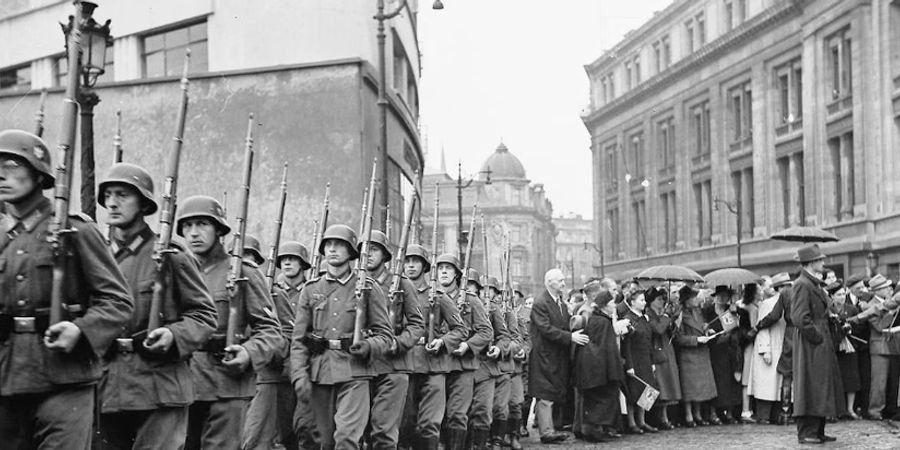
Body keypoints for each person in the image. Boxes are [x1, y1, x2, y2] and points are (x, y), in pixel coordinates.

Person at [0, 129, 134, 448]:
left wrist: (80, 329)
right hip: (7, 378)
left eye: (12, 166)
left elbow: (117, 301)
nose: (1, 175)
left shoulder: (76, 229)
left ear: (37, 174)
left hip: (65, 378)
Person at [97, 163, 218, 449]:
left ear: (143, 203)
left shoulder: (171, 255)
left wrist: (173, 335)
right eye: (109, 195)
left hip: (159, 384)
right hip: (108, 385)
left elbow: (204, 315)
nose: (112, 203)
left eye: (123, 195)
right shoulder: (99, 256)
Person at [177, 195, 283, 450]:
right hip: (182, 383)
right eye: (188, 226)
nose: (194, 233)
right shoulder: (178, 270)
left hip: (227, 383)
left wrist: (248, 352)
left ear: (219, 230)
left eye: (202, 224)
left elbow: (271, 331)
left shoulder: (242, 272)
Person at [290, 224, 394, 449]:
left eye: (339, 245)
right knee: (322, 442)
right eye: (328, 244)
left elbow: (385, 335)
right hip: (320, 372)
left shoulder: (367, 288)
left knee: (346, 439)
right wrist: (299, 375)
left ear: (351, 252)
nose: (332, 249)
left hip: (355, 372)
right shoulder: (310, 289)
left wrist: (368, 346)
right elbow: (298, 340)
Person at [399, 244, 467, 450]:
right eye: (407, 261)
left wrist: (443, 342)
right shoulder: (396, 293)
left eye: (416, 261)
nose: (410, 266)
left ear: (425, 266)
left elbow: (460, 329)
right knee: (404, 421)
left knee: (429, 424)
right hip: (404, 361)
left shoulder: (436, 294)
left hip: (433, 364)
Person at [362, 230, 426, 450]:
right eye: (364, 249)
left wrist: (398, 343)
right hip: (362, 363)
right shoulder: (356, 283)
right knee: (358, 430)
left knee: (384, 430)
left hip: (394, 365)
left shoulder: (402, 284)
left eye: (374, 249)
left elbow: (417, 325)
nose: (368, 254)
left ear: (385, 255)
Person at [790, 243, 844, 444]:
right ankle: (806, 432)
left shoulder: (813, 283)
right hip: (811, 343)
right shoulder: (802, 284)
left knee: (821, 384)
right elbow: (799, 317)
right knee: (810, 385)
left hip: (819, 340)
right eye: (820, 260)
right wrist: (817, 336)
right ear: (811, 262)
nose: (823, 262)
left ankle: (818, 429)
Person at [438, 254, 492, 450]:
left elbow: (486, 332)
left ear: (456, 274)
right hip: (436, 364)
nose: (443, 272)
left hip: (462, 366)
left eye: (448, 268)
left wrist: (468, 345)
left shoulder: (471, 300)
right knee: (436, 415)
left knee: (457, 414)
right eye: (440, 268)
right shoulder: (430, 296)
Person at [530, 268, 585, 443]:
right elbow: (546, 329)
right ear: (549, 282)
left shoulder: (559, 303)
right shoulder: (541, 303)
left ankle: (552, 428)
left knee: (554, 391)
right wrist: (570, 337)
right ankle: (546, 432)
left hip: (556, 355)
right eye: (560, 280)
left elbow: (562, 324)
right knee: (545, 393)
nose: (563, 283)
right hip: (545, 356)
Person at [271, 241, 316, 450]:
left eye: (293, 259)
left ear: (303, 263)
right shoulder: (271, 292)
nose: (287, 262)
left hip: (305, 366)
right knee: (281, 428)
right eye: (284, 259)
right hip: (277, 366)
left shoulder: (312, 291)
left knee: (305, 426)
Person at [573, 282, 624, 443]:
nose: (613, 306)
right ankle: (593, 429)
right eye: (610, 303)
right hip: (598, 371)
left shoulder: (597, 319)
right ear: (603, 306)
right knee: (601, 399)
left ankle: (593, 428)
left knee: (595, 400)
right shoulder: (603, 322)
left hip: (592, 369)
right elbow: (607, 349)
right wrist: (613, 371)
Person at [468, 276, 510, 450]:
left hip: (484, 366)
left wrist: (499, 348)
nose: (467, 288)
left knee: (483, 410)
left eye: (470, 285)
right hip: (457, 365)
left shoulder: (491, 308)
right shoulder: (449, 302)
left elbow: (504, 336)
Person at [748, 272, 789, 424]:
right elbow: (762, 327)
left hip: (782, 344)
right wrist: (765, 349)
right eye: (785, 286)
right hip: (770, 344)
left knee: (778, 383)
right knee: (767, 383)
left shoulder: (789, 302)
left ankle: (776, 415)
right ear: (779, 288)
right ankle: (763, 415)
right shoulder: (768, 304)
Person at [673, 286, 717, 426]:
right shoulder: (679, 314)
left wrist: (707, 330)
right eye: (694, 297)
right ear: (687, 300)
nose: (697, 299)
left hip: (701, 352)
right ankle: (688, 414)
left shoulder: (699, 311)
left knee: (700, 387)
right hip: (689, 354)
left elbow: (701, 326)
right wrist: (696, 340)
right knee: (689, 387)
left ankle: (698, 413)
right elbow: (678, 338)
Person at [860, 274, 900, 421]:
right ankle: (875, 410)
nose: (890, 289)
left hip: (891, 345)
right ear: (877, 290)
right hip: (879, 347)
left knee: (891, 381)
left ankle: (888, 409)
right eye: (886, 287)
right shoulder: (871, 306)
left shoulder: (887, 302)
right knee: (879, 381)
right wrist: (891, 313)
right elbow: (879, 325)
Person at [621, 290, 659, 434]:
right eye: (641, 300)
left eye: (644, 300)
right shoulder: (628, 319)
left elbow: (649, 341)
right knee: (633, 392)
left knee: (647, 389)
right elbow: (627, 345)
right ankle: (631, 422)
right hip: (634, 359)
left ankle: (642, 421)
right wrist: (629, 365)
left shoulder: (644, 319)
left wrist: (652, 361)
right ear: (632, 302)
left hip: (645, 359)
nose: (644, 303)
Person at [704, 286, 743, 424]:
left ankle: (729, 412)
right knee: (717, 380)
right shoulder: (708, 311)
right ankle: (714, 412)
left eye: (725, 296)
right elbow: (704, 326)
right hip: (714, 348)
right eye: (720, 295)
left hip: (729, 349)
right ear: (715, 296)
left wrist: (735, 314)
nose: (722, 298)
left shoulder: (731, 310)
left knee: (730, 381)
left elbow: (738, 327)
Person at [646, 286, 681, 429]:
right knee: (657, 385)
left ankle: (664, 417)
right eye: (659, 299)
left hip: (665, 350)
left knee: (666, 386)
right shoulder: (649, 314)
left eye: (662, 299)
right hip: (655, 352)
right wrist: (666, 316)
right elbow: (658, 329)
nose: (662, 302)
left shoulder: (659, 314)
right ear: (652, 301)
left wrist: (673, 320)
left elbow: (669, 331)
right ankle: (649, 418)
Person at [827, 282, 861, 420]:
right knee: (837, 379)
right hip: (835, 348)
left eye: (843, 294)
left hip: (850, 348)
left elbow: (861, 325)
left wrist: (851, 329)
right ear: (832, 296)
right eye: (838, 295)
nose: (841, 297)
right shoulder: (830, 310)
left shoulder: (852, 309)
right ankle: (837, 409)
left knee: (851, 378)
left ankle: (850, 408)